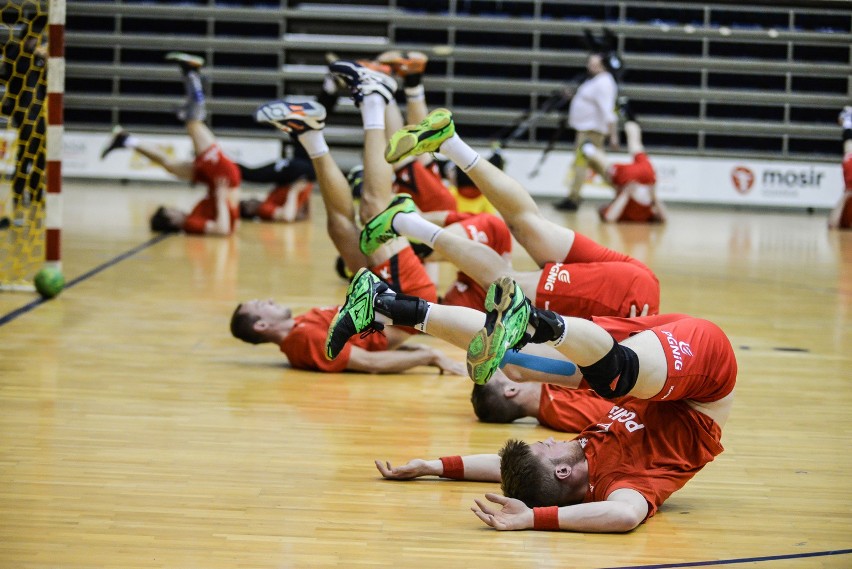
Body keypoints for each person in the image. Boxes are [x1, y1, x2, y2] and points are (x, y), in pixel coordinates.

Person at [324, 269, 736, 533]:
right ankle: (536, 321)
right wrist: (533, 519)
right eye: (545, 447)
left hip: (646, 360)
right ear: (561, 471)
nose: (549, 440)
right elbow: (626, 516)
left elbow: (499, 465)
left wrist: (435, 466)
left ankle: (383, 304)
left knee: (515, 364)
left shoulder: (576, 459)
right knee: (613, 380)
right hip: (705, 377)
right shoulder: (615, 489)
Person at [231, 66, 459, 375]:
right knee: (374, 210)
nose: (269, 299)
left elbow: (371, 342)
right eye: (262, 304)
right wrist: (427, 357)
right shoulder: (303, 341)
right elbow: (369, 363)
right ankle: (374, 100)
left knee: (338, 226)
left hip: (382, 299)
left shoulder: (299, 329)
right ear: (262, 324)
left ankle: (311, 136)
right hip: (404, 299)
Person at [359, 107, 660, 320]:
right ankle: (405, 221)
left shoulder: (636, 171)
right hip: (628, 301)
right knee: (506, 283)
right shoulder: (634, 176)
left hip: (641, 281)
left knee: (528, 223)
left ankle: (450, 142)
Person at [100, 52, 241, 235]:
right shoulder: (190, 223)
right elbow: (224, 230)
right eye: (170, 211)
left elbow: (232, 224)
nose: (174, 208)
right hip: (222, 176)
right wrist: (221, 199)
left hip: (216, 181)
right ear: (172, 220)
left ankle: (126, 140)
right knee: (193, 122)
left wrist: (217, 198)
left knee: (170, 165)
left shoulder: (191, 218)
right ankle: (191, 74)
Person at [584, 98, 666, 223]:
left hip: (645, 176)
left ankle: (628, 117)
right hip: (636, 178)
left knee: (635, 145)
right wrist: (653, 195)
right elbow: (610, 218)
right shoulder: (625, 208)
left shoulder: (625, 206)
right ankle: (588, 148)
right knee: (610, 163)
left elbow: (610, 218)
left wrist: (627, 194)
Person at [555, 52, 619, 211]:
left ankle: (573, 198)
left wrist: (613, 136)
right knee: (597, 166)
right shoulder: (595, 81)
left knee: (581, 164)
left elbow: (608, 111)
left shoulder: (604, 82)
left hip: (592, 132)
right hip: (586, 129)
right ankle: (621, 189)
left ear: (602, 65)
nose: (588, 66)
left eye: (593, 63)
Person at [0, 11, 47, 224]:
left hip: (39, 109)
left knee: (41, 151)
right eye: (35, 36)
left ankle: (36, 193)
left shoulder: (39, 55)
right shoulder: (15, 51)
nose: (37, 40)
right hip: (23, 109)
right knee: (27, 152)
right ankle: (19, 193)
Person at [828, 105, 852, 230]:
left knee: (847, 193)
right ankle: (848, 122)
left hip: (848, 162)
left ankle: (848, 122)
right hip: (849, 162)